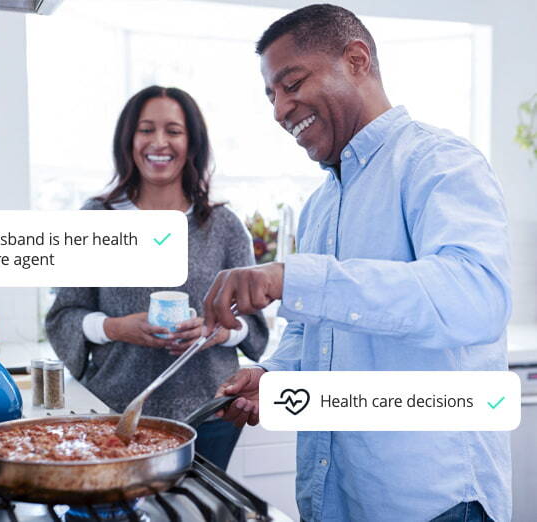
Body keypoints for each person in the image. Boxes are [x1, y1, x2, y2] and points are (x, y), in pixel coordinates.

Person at [203, 5, 510, 522]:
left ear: (357, 59)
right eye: (271, 96)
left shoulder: (439, 162)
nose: (280, 109)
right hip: (337, 496)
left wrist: (290, 277)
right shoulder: (322, 203)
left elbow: (474, 297)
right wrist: (272, 375)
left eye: (291, 83)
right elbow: (310, 331)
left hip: (431, 503)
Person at [45, 85, 268, 470]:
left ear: (192, 142)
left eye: (174, 131)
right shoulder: (96, 218)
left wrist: (213, 332)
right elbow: (63, 315)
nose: (159, 142)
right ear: (128, 139)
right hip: (115, 412)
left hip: (209, 414)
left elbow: (253, 327)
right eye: (146, 129)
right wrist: (117, 327)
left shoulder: (224, 227)